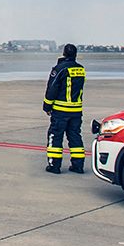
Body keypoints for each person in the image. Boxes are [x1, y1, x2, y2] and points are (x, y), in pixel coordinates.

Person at [43, 43, 86, 174]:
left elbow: (52, 88)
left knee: (55, 136)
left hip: (61, 110)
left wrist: (47, 105)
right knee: (75, 137)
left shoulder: (60, 69)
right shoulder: (81, 69)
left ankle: (54, 165)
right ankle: (78, 166)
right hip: (76, 111)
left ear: (64, 53)